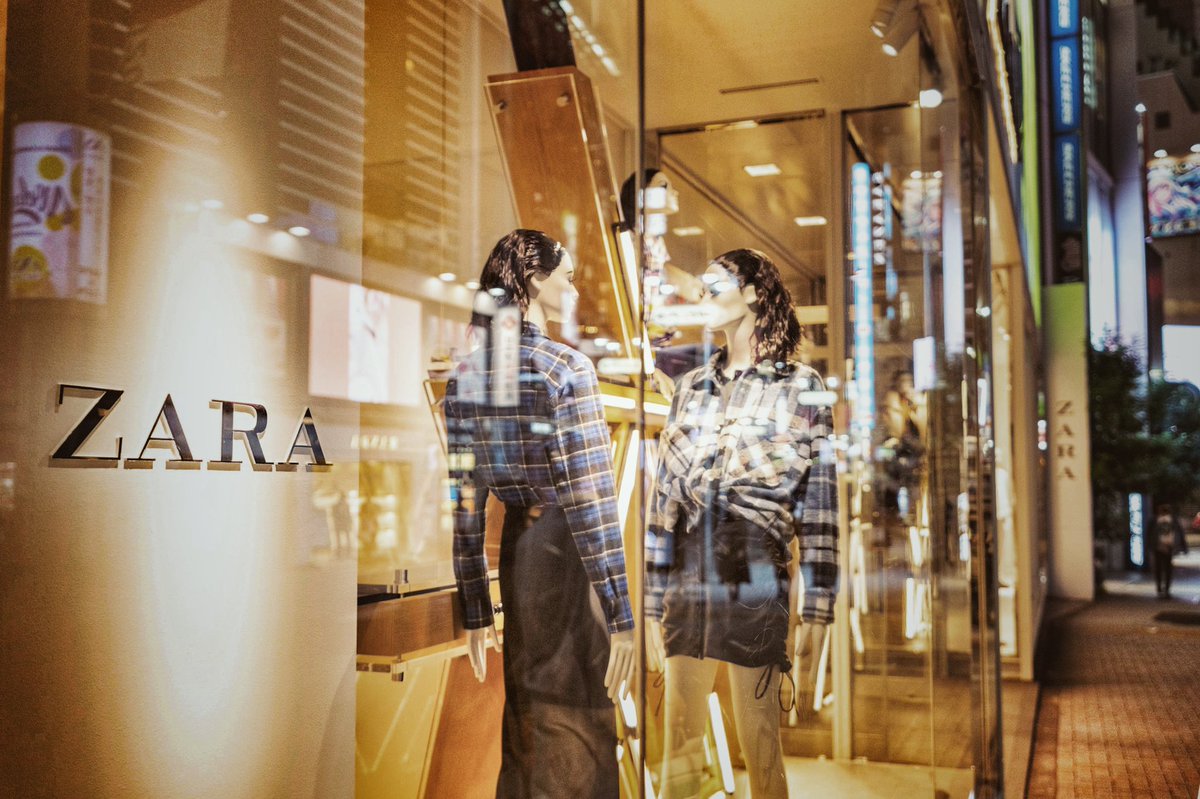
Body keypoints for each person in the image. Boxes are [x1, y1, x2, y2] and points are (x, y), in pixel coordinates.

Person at [444, 229, 635, 798]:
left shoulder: (466, 377)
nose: (574, 290)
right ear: (534, 280)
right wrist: (622, 615)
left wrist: (476, 606)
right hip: (570, 557)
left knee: (527, 722)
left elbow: (465, 505)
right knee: (577, 727)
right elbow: (592, 501)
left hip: (518, 555)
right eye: (567, 278)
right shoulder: (565, 368)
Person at [645, 249, 838, 799]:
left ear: (753, 293)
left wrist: (819, 605)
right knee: (679, 748)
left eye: (715, 286)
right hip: (689, 571)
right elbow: (663, 503)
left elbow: (820, 505)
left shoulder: (800, 386)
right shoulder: (690, 388)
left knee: (759, 741)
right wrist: (652, 600)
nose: (703, 298)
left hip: (755, 568)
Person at [1152, 503, 1187, 598]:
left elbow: (1150, 534)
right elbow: (1180, 533)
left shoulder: (1156, 520)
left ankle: (1161, 588)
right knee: (1166, 569)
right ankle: (1164, 589)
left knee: (1161, 568)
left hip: (1161, 547)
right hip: (1166, 547)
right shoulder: (1170, 520)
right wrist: (1183, 547)